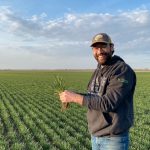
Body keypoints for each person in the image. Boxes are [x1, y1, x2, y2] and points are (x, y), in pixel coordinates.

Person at [59, 33, 136, 150]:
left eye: (103, 46)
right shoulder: (99, 70)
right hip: (96, 137)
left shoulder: (122, 70)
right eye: (96, 47)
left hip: (113, 140)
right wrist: (73, 94)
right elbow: (94, 96)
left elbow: (108, 103)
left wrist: (75, 98)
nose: (99, 51)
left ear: (112, 47)